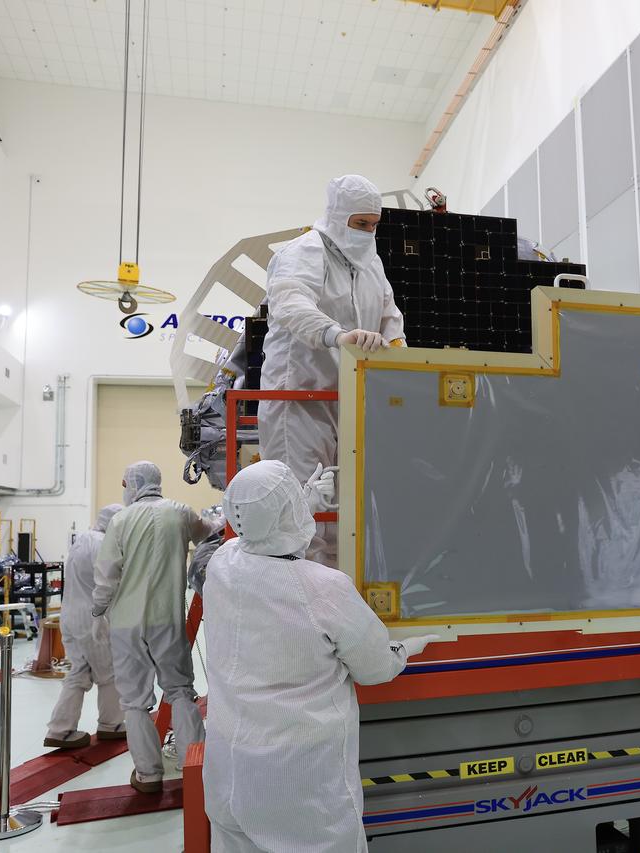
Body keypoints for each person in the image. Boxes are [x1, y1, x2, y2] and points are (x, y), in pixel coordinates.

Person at [203, 460, 439, 853]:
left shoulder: (223, 565)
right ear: (288, 512)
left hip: (228, 773)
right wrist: (402, 649)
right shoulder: (324, 588)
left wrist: (303, 502)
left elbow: (261, 542)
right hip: (298, 788)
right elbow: (375, 668)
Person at [258, 174, 406, 566]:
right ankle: (304, 617)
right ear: (339, 217)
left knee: (347, 514)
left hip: (349, 402)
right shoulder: (305, 251)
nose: (368, 232)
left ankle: (340, 608)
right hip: (299, 401)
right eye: (360, 224)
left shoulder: (370, 263)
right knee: (305, 514)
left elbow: (390, 314)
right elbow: (289, 303)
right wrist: (334, 334)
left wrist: (397, 348)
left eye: (374, 225)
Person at [94, 461, 212, 793]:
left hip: (126, 624)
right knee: (180, 692)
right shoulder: (180, 512)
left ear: (131, 484)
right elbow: (211, 533)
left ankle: (148, 775)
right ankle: (196, 767)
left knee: (133, 701)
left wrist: (97, 608)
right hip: (167, 620)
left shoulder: (120, 520)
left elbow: (106, 574)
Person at [43, 503, 127, 749]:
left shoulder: (83, 540)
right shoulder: (103, 544)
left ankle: (60, 729)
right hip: (93, 619)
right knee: (109, 673)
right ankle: (111, 725)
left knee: (79, 672)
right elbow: (109, 582)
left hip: (70, 616)